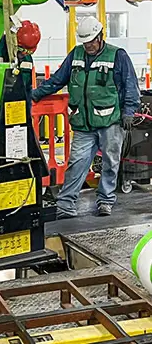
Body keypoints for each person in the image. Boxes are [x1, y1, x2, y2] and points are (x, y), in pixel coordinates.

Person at [32, 16, 140, 219]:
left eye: (91, 41)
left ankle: (105, 201)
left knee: (110, 162)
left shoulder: (118, 56)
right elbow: (58, 79)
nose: (88, 45)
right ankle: (65, 205)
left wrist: (128, 113)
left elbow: (130, 85)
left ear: (100, 36)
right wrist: (35, 95)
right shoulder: (76, 55)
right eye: (85, 42)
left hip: (111, 122)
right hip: (83, 123)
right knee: (77, 163)